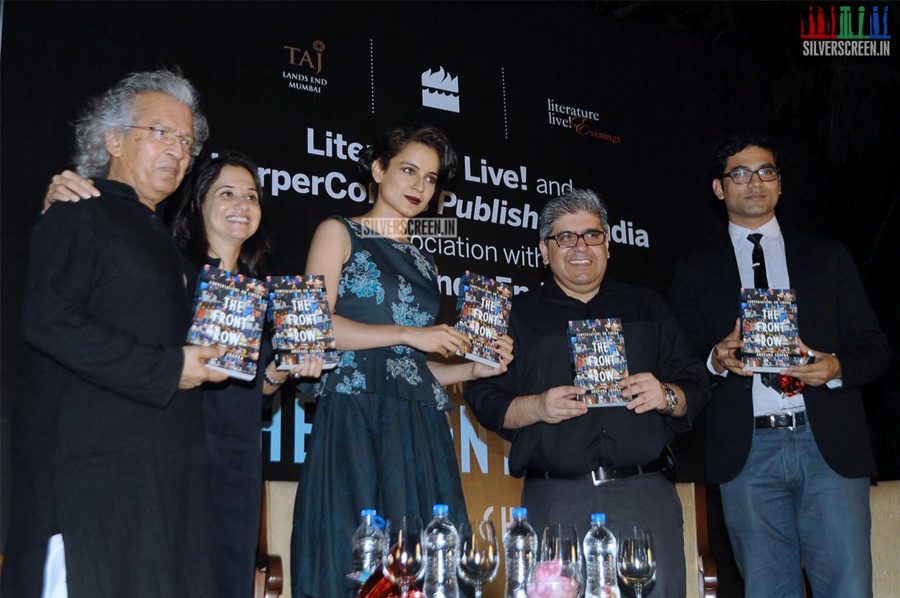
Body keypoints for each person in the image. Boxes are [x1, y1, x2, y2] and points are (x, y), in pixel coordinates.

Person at [39, 150, 325, 598]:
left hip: (238, 462)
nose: (241, 205)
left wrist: (278, 372)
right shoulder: (168, 271)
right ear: (198, 203)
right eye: (226, 193)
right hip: (173, 452)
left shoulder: (270, 295)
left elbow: (257, 393)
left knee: (226, 580)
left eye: (251, 196)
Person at [3, 69, 228, 598]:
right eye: (162, 133)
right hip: (92, 491)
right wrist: (170, 368)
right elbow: (48, 321)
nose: (177, 149)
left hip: (159, 491)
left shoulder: (163, 242)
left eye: (187, 142)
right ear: (113, 140)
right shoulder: (77, 212)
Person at [291, 124, 513, 597]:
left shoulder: (425, 262)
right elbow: (313, 327)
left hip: (416, 428)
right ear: (378, 169)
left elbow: (410, 368)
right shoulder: (338, 231)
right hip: (355, 417)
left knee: (428, 564)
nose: (420, 187)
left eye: (431, 179)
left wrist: (473, 368)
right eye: (409, 171)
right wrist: (412, 333)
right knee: (357, 558)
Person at [669, 132, 890, 597]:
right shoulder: (695, 271)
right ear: (719, 188)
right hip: (747, 452)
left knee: (849, 589)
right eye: (741, 173)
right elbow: (683, 363)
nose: (755, 182)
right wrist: (717, 358)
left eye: (766, 171)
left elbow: (874, 348)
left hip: (827, 442)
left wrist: (834, 368)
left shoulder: (827, 257)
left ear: (780, 185)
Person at [465, 188, 709, 598]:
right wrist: (537, 406)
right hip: (557, 499)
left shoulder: (648, 307)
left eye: (592, 235)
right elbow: (483, 396)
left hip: (644, 496)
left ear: (608, 246)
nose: (580, 247)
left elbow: (696, 385)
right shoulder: (516, 315)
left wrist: (665, 395)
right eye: (565, 237)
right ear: (544, 251)